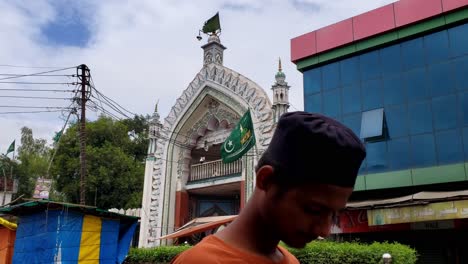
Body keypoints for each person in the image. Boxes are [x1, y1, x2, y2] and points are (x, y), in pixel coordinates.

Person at [171, 111, 366, 263]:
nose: (324, 230)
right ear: (266, 180)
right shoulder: (201, 261)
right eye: (314, 210)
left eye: (333, 215)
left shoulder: (291, 261)